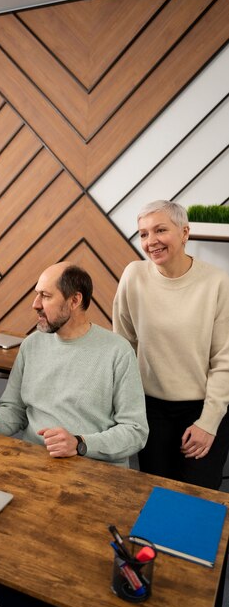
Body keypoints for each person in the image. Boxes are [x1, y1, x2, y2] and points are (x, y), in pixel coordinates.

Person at [0, 262, 148, 467]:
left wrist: (80, 444)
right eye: (37, 294)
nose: (35, 304)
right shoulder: (31, 345)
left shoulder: (118, 352)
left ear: (74, 300)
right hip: (33, 462)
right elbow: (15, 410)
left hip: (94, 470)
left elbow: (135, 431)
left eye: (45, 296)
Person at [112, 200, 229, 490]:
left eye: (160, 230)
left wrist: (208, 422)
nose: (151, 241)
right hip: (150, 407)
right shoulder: (134, 275)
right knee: (155, 492)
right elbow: (123, 345)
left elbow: (225, 360)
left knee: (196, 498)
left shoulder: (217, 282)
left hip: (203, 407)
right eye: (143, 233)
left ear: (185, 233)